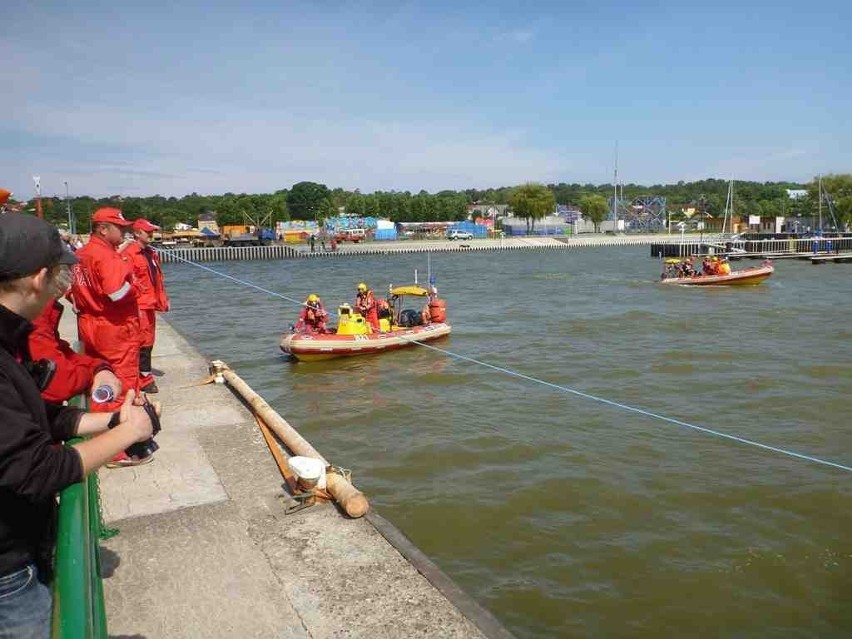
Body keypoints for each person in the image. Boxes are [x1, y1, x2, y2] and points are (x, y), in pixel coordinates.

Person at [0, 214, 154, 637]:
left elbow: (32, 414)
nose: (64, 283)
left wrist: (108, 418)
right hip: (8, 570)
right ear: (37, 279)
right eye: (58, 273)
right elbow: (37, 469)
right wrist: (128, 433)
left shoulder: (10, 335)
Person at [68, 207, 147, 467]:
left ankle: (108, 437)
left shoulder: (80, 255)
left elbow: (70, 292)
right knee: (118, 383)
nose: (124, 231)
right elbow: (116, 293)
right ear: (102, 229)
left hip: (90, 324)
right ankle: (115, 447)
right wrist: (135, 285)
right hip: (114, 329)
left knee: (99, 381)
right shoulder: (107, 257)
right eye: (120, 227)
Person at [29, 297, 121, 405]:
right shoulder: (34, 311)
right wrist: (91, 375)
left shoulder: (38, 306)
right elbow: (58, 382)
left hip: (96, 322)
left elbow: (58, 350)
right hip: (115, 323)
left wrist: (98, 367)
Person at [121, 218, 170, 394]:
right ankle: (143, 379)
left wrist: (162, 299)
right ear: (137, 233)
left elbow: (157, 280)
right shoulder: (129, 254)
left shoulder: (150, 253)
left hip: (149, 304)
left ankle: (143, 375)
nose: (151, 234)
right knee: (140, 342)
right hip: (138, 305)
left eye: (152, 231)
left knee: (149, 341)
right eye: (147, 232)